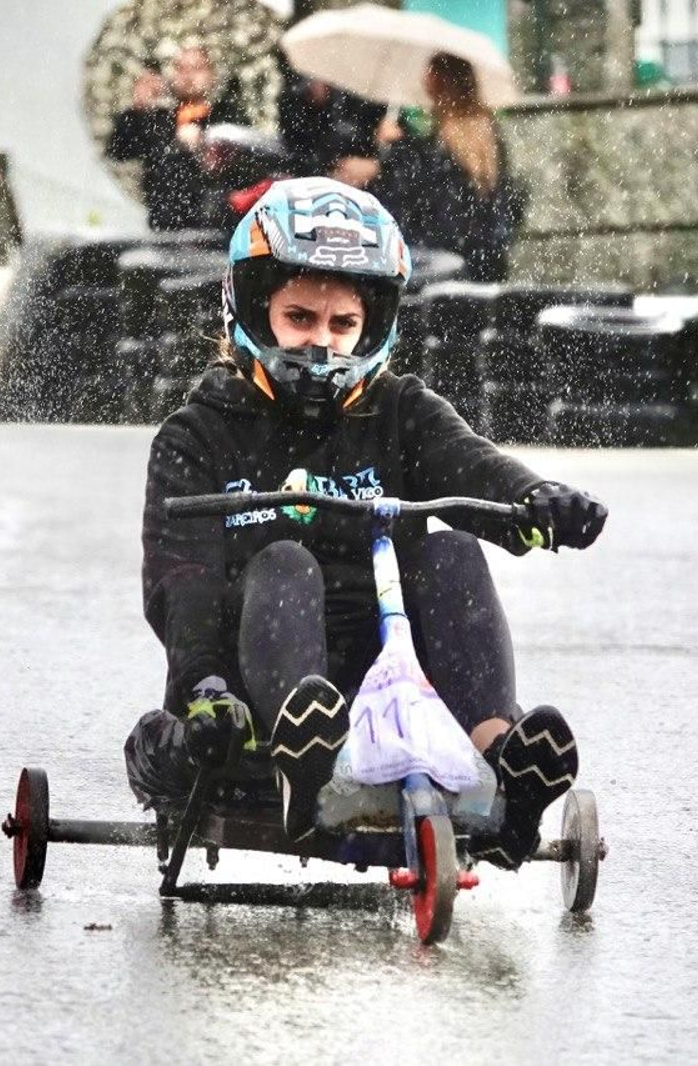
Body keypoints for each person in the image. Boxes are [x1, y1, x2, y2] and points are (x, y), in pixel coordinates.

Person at [125, 177, 607, 867]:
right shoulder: (198, 434)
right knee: (285, 560)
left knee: (452, 551)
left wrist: (540, 500)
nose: (321, 344)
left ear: (371, 328)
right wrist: (204, 687)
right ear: (255, 310)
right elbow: (181, 580)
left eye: (342, 324)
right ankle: (306, 768)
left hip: (389, 666)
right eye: (300, 318)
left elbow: (475, 468)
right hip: (253, 692)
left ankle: (499, 755)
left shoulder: (400, 411)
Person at [372, 52, 524, 282]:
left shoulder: (442, 142)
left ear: (439, 84)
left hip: (447, 259)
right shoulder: (486, 132)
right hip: (486, 256)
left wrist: (393, 146)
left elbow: (423, 187)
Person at [106, 43, 244, 231]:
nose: (188, 76)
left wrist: (202, 147)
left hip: (214, 227)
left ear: (212, 75)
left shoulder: (226, 115)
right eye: (181, 68)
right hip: (164, 226)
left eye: (197, 68)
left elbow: (241, 165)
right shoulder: (159, 119)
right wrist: (137, 109)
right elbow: (119, 151)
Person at [276, 70, 383, 188]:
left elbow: (398, 161)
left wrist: (378, 167)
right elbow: (294, 137)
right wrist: (310, 100)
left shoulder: (387, 100)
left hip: (370, 183)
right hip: (316, 175)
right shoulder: (315, 81)